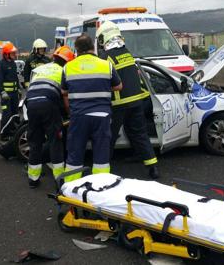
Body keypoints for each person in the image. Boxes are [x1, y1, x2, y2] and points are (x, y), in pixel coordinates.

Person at [96, 21, 160, 179]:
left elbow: (105, 81)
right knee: (140, 134)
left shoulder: (105, 57)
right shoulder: (127, 52)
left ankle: (103, 172)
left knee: (108, 137)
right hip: (136, 102)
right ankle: (153, 167)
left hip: (118, 104)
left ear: (103, 39)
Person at [61, 34, 122, 182]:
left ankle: (71, 190)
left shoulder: (68, 67)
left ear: (76, 49)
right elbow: (119, 86)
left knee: (75, 154)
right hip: (101, 116)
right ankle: (100, 188)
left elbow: (64, 92)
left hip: (79, 116)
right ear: (93, 47)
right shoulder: (106, 65)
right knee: (101, 156)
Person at [25, 46, 75, 188]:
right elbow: (65, 96)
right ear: (67, 61)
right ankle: (59, 180)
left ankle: (33, 179)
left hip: (31, 103)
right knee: (55, 141)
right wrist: (68, 113)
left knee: (35, 142)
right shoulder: (64, 71)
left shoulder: (43, 68)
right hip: (47, 103)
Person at [0, 42, 20, 140]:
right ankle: (4, 134)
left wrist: (18, 89)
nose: (14, 55)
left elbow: (15, 78)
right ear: (6, 54)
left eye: (14, 53)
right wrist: (2, 92)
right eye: (12, 53)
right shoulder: (1, 64)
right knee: (7, 114)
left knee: (15, 113)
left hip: (14, 94)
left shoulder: (13, 64)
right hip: (6, 95)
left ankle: (12, 132)